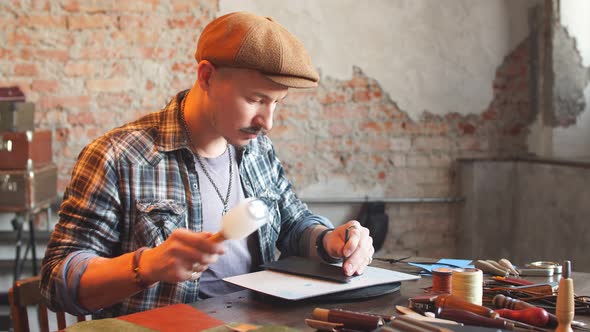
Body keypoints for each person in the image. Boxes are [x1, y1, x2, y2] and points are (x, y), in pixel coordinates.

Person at [41, 11, 375, 318]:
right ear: (207, 76)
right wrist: (147, 266)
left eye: (277, 103)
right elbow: (57, 283)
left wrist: (330, 239)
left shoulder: (258, 150)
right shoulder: (116, 156)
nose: (267, 121)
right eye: (256, 99)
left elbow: (293, 224)